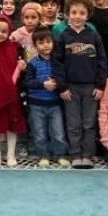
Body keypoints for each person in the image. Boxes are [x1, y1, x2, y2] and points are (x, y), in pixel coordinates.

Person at [54, 0, 108, 169]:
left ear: (88, 15)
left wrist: (100, 85)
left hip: (91, 87)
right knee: (73, 124)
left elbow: (102, 61)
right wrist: (62, 87)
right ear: (67, 14)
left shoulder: (94, 36)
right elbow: (57, 63)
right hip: (70, 88)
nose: (77, 16)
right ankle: (75, 154)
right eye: (74, 12)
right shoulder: (63, 36)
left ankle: (88, 155)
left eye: (82, 13)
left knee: (89, 124)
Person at [0, 15, 27, 166]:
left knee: (12, 125)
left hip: (11, 93)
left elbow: (21, 63)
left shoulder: (14, 47)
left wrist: (22, 65)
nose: (0, 34)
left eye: (4, 31)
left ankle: (11, 154)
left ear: (9, 32)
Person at [24, 26, 69, 167]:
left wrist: (59, 83)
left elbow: (64, 77)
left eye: (48, 42)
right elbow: (28, 82)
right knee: (39, 133)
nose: (45, 45)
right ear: (35, 45)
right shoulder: (32, 63)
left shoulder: (58, 62)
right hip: (36, 105)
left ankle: (60, 155)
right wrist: (43, 84)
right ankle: (43, 155)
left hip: (55, 104)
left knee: (58, 132)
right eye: (41, 42)